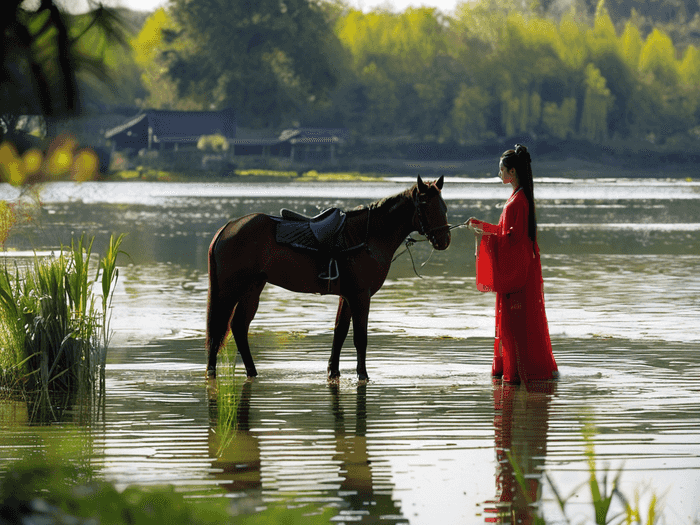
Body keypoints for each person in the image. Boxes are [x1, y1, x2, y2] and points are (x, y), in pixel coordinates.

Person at [467, 144, 558, 384]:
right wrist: (482, 226)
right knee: (516, 323)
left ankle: (518, 371)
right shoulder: (518, 198)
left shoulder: (519, 201)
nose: (499, 174)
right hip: (519, 271)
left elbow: (511, 241)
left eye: (501, 169)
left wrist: (485, 236)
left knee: (517, 324)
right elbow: (507, 234)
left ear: (513, 172)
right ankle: (514, 371)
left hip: (517, 275)